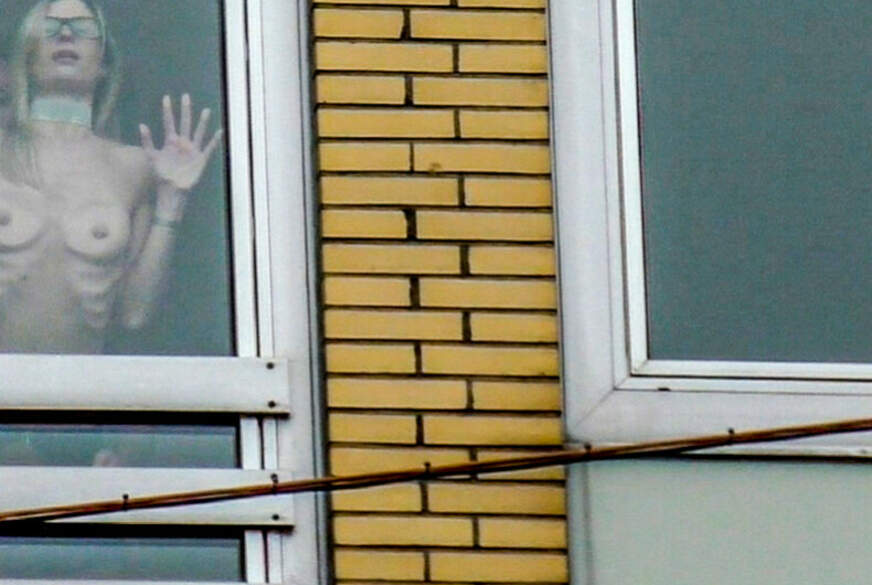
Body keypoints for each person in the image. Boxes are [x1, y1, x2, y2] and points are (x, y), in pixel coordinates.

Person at [0, 0, 222, 354]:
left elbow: (134, 315)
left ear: (104, 64)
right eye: (50, 28)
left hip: (85, 381)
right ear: (25, 57)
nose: (66, 35)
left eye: (83, 28)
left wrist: (172, 200)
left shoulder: (132, 167)